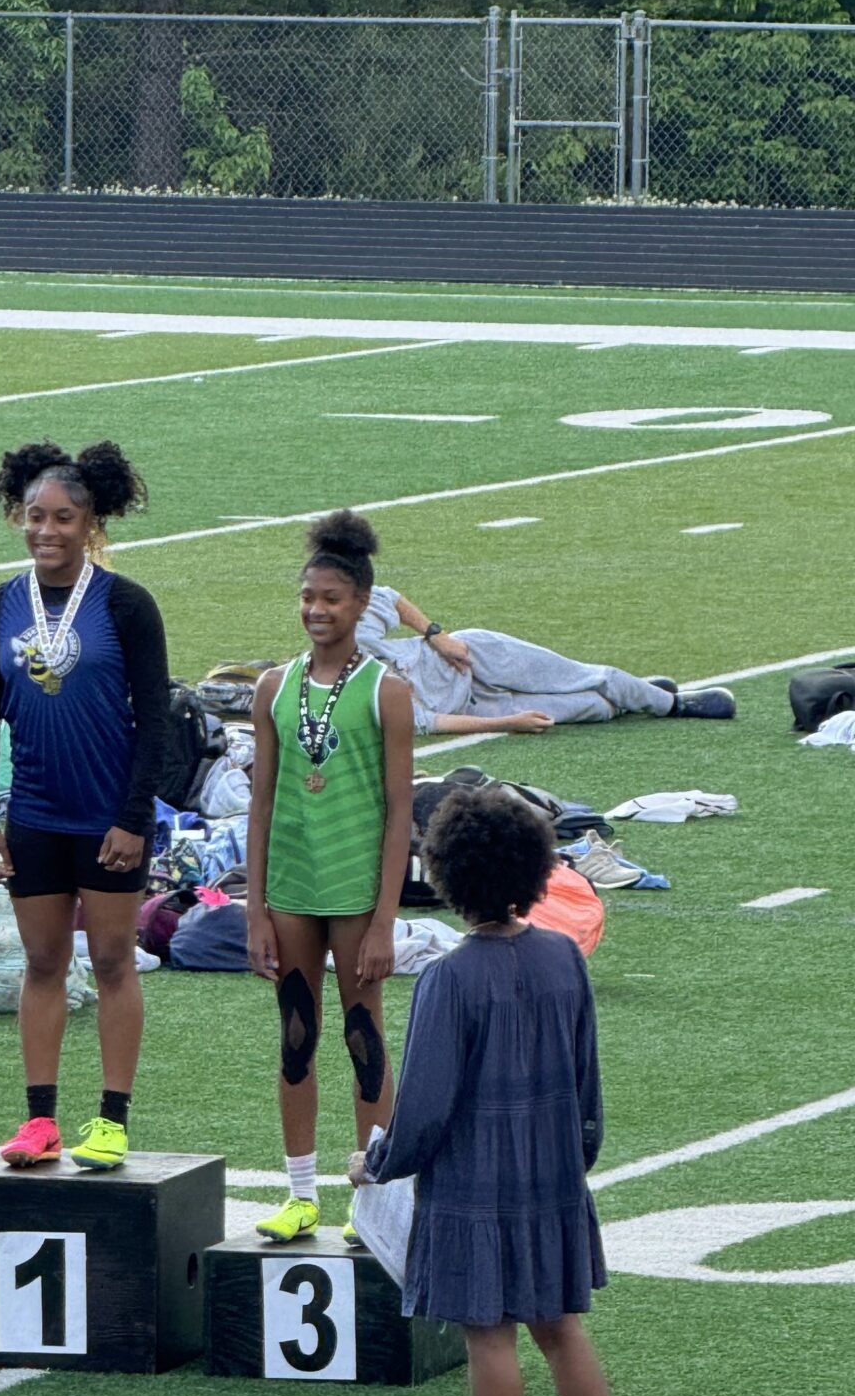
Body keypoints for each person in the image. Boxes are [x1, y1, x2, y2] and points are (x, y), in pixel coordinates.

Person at [352, 786, 658, 1396]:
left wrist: (375, 1164)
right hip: (553, 1181)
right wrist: (571, 1163)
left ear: (449, 873)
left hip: (471, 1192)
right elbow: (588, 1089)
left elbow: (421, 1112)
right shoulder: (562, 957)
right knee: (564, 1330)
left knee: (490, 1341)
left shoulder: (447, 980)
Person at [0, 440, 170, 1172]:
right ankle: (40, 1119)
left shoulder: (126, 603)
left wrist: (134, 818)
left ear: (91, 526)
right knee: (43, 960)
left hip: (107, 817)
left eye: (63, 519)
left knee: (113, 959)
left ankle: (112, 1119)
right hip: (37, 816)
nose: (46, 531)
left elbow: (156, 718)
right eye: (34, 517)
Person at [245, 513, 414, 1244]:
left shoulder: (387, 691)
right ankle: (302, 1192)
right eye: (308, 597)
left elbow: (401, 809)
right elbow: (261, 800)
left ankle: (370, 1198)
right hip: (291, 887)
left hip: (354, 891)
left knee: (361, 1034)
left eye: (332, 599)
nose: (317, 610)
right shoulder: (274, 687)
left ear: (363, 606)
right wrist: (254, 908)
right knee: (295, 1034)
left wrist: (383, 919)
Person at [355, 582, 735, 733]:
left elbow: (386, 595)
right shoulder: (358, 700)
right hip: (475, 706)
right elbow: (432, 722)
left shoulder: (354, 634)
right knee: (596, 707)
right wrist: (508, 722)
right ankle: (634, 696)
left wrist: (435, 634)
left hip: (469, 657)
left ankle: (671, 704)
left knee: (591, 677)